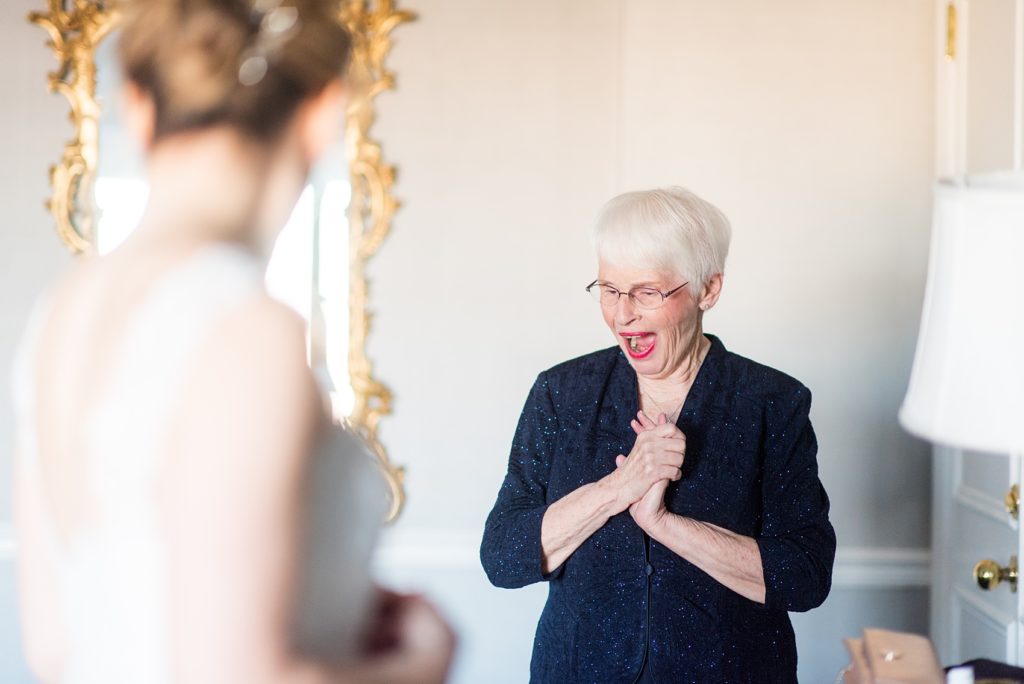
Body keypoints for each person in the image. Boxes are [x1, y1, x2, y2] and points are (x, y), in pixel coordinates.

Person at [12, 1, 454, 682]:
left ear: (135, 105)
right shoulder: (245, 327)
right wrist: (427, 663)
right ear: (324, 113)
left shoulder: (57, 318)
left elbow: (54, 648)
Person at [480, 186, 835, 683]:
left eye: (647, 292)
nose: (623, 314)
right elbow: (502, 556)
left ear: (708, 290)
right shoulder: (562, 394)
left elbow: (804, 577)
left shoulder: (772, 402)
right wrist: (617, 490)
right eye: (608, 289)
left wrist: (663, 523)